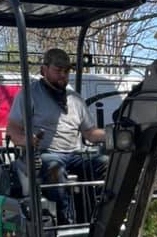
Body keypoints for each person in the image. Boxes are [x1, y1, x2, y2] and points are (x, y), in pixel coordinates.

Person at [6, 48, 106, 225]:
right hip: (45, 153)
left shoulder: (75, 99)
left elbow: (90, 133)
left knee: (105, 163)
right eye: (58, 70)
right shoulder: (29, 95)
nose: (63, 75)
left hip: (75, 154)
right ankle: (65, 223)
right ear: (44, 70)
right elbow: (13, 130)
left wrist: (114, 134)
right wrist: (28, 140)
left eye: (66, 71)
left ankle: (98, 216)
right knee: (55, 169)